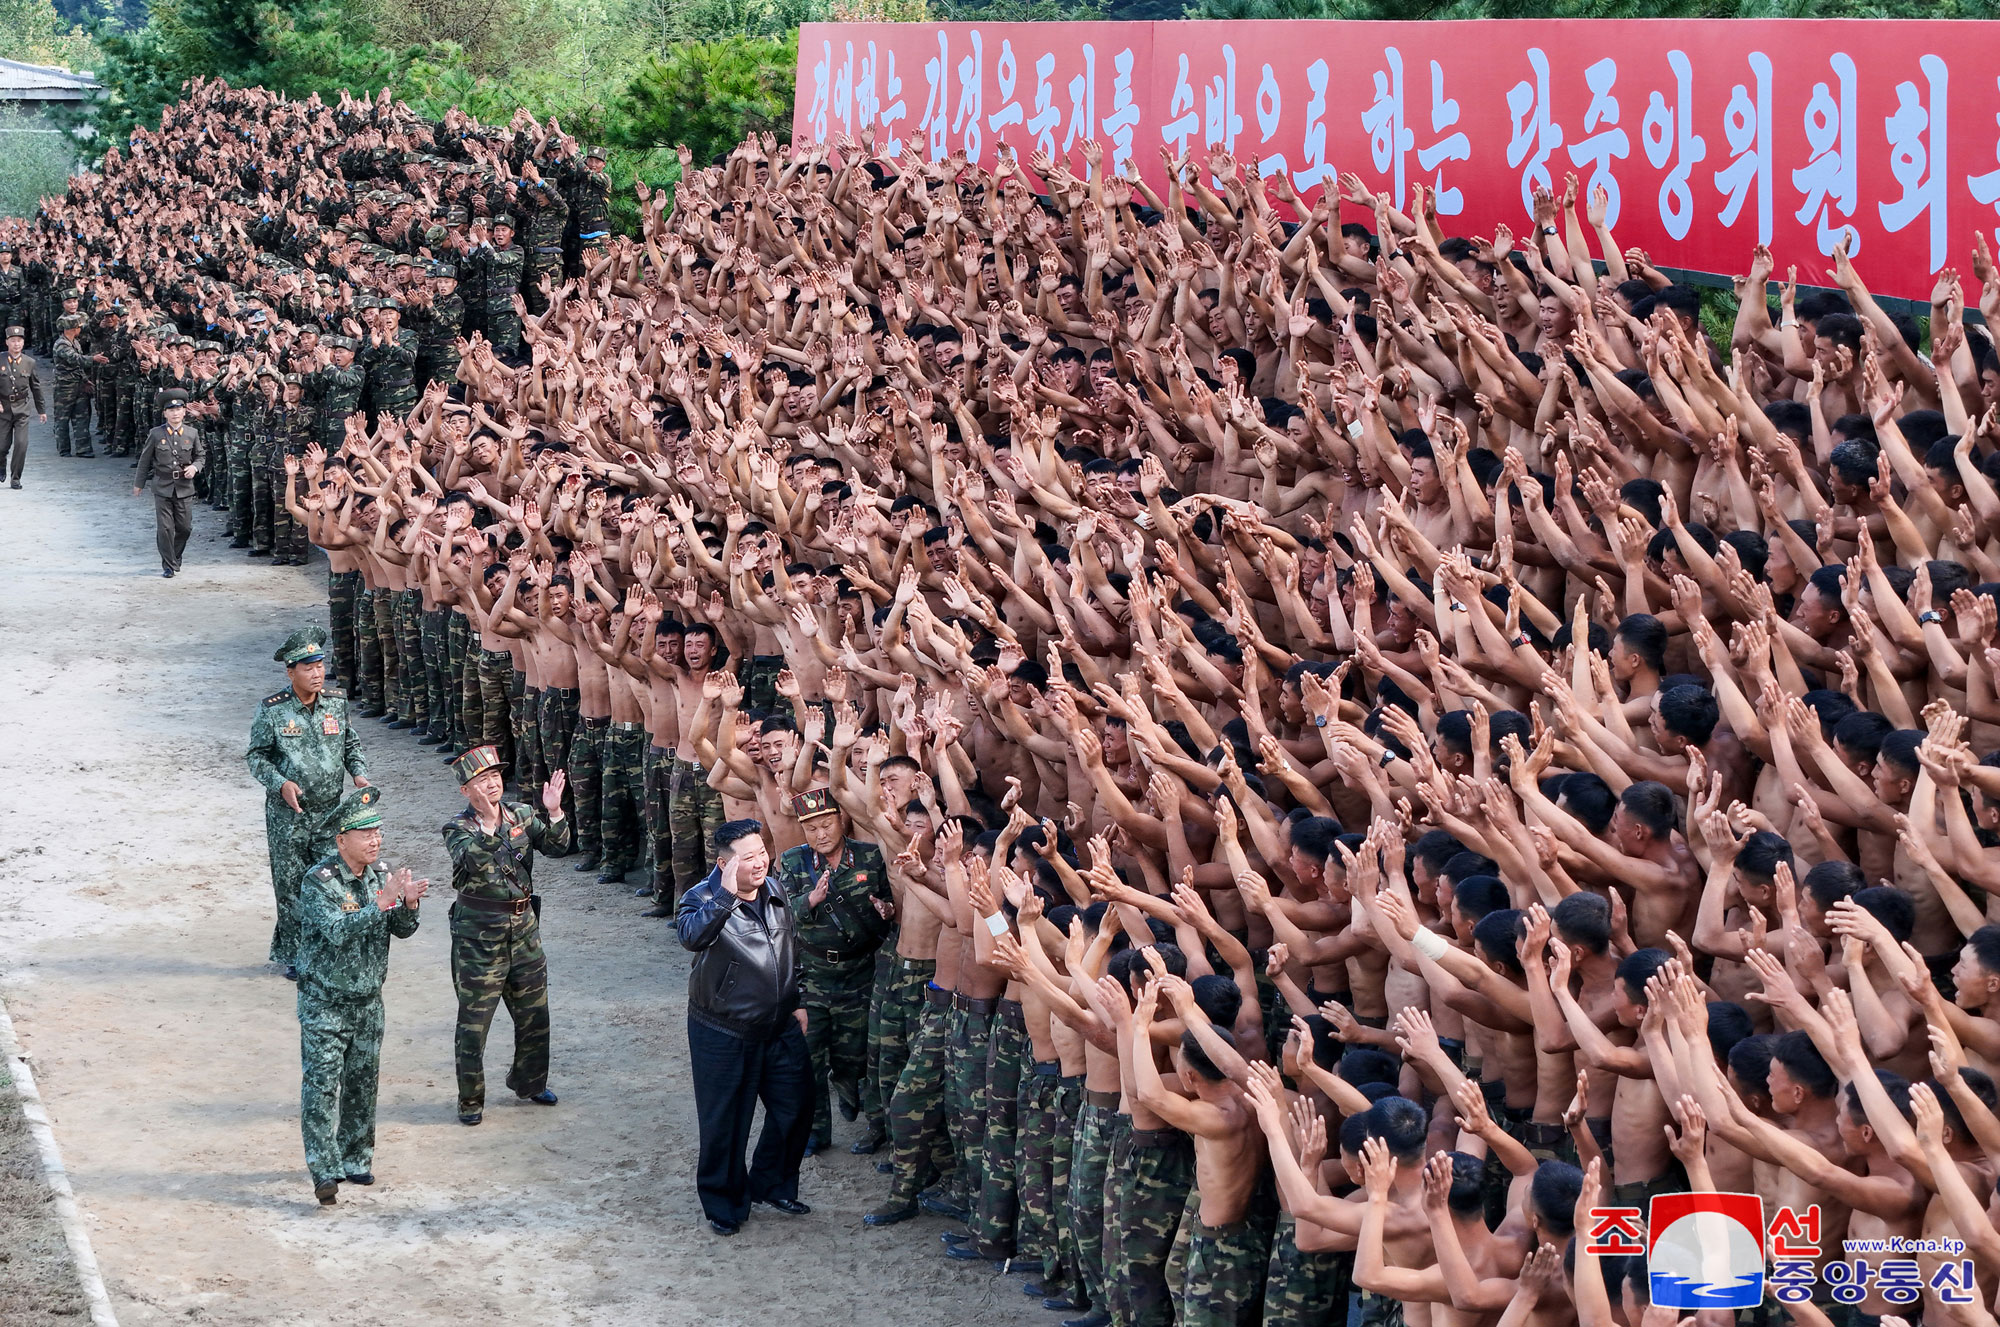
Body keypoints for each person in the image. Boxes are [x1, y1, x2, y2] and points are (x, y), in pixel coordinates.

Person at [675, 818, 812, 1235]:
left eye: (762, 852)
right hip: (724, 1029)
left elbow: (792, 944)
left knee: (797, 1106)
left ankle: (771, 1182)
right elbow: (690, 937)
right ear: (724, 863)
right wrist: (725, 897)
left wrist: (798, 998)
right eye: (748, 857)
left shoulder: (776, 888)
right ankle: (723, 1202)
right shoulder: (700, 897)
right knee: (725, 1121)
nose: (760, 862)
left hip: (778, 1023)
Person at [294, 785, 425, 1205]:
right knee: (322, 1086)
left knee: (362, 1083)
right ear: (341, 840)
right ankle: (323, 1168)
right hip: (325, 1004)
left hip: (369, 1001)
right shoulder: (318, 882)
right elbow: (335, 931)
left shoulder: (381, 876)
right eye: (365, 832)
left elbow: (402, 932)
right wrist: (381, 906)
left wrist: (406, 905)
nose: (375, 840)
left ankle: (355, 1158)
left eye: (377, 831)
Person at [441, 743, 573, 1125]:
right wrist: (486, 826)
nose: (492, 785)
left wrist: (553, 811)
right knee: (474, 1023)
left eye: (496, 777)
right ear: (466, 791)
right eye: (482, 781)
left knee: (535, 1014)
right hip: (479, 938)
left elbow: (558, 847)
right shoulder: (458, 828)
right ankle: (471, 1102)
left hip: (525, 930)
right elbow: (470, 860)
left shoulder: (520, 813)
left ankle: (530, 1083)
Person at [773, 787, 894, 1156]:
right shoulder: (793, 862)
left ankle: (847, 1083)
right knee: (808, 1058)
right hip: (812, 975)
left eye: (826, 824)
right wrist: (809, 900)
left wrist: (887, 910)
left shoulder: (870, 858)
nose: (821, 834)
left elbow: (893, 900)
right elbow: (780, 914)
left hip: (859, 973)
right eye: (812, 829)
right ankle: (815, 1132)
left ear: (841, 820)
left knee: (853, 1054)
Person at [246, 626, 370, 978]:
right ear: (291, 672)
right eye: (308, 668)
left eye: (320, 666)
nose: (317, 674)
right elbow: (257, 757)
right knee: (291, 886)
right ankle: (296, 955)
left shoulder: (335, 702)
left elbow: (350, 744)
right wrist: (281, 783)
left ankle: (332, 949)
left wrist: (359, 773)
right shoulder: (272, 711)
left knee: (334, 880)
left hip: (331, 813)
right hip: (289, 815)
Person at [131, 387, 204, 577]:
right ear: (164, 413)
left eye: (178, 409)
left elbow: (201, 456)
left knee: (185, 528)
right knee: (165, 528)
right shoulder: (156, 434)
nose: (175, 413)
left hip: (184, 488)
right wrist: (139, 483)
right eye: (171, 410)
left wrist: (195, 467)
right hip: (162, 487)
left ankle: (174, 556)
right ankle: (169, 565)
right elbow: (145, 460)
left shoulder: (192, 433)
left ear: (184, 411)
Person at [0, 323, 45, 488]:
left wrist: (41, 411)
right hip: (3, 409)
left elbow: (36, 387)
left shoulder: (29, 362)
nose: (16, 344)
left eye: (19, 340)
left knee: (21, 444)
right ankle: (1, 464)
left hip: (22, 409)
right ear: (7, 342)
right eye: (13, 340)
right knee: (1, 446)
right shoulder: (0, 359)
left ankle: (16, 478)